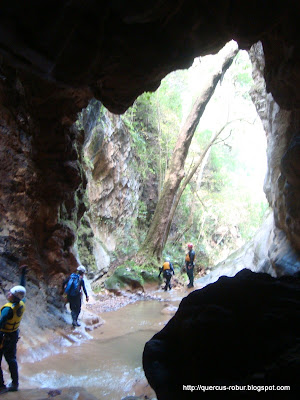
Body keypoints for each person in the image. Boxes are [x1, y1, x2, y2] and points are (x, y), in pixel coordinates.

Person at [0, 265, 28, 394]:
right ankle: (15, 384)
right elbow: (22, 289)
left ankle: (1, 385)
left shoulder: (7, 309)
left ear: (13, 296)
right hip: (13, 334)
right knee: (11, 359)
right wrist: (23, 275)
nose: (8, 293)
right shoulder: (21, 302)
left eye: (10, 293)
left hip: (4, 336)